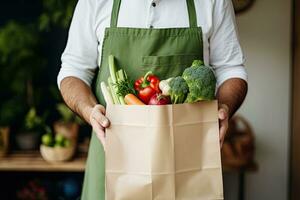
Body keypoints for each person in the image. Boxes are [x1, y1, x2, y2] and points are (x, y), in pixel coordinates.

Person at [57, 0, 248, 199]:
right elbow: (73, 71)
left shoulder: (214, 2)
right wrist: (89, 111)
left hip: (188, 162)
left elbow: (231, 69)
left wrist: (224, 107)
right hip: (113, 158)